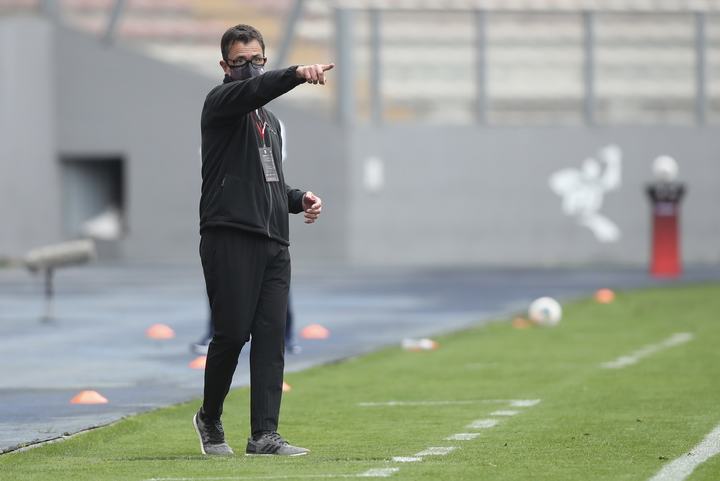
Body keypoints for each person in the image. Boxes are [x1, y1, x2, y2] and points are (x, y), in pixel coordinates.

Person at [192, 24, 331, 457]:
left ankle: (264, 435)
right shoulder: (221, 103)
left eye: (256, 60)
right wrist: (296, 74)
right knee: (232, 334)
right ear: (224, 66)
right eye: (240, 62)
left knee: (271, 339)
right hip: (230, 234)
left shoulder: (268, 122)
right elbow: (255, 90)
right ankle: (209, 416)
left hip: (273, 240)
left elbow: (270, 181)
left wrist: (299, 199)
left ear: (264, 59)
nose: (250, 68)